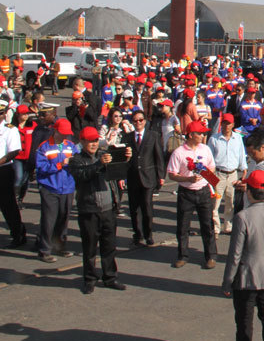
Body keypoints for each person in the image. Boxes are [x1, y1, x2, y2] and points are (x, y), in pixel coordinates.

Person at [222, 170, 264, 341]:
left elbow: (235, 254)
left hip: (246, 278)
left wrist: (227, 281)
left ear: (249, 192)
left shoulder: (242, 217)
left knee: (244, 322)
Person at [68, 126, 131, 293]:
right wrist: (98, 165)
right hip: (89, 210)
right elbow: (82, 175)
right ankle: (89, 279)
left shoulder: (104, 155)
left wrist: (125, 158)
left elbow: (119, 171)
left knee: (109, 246)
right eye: (90, 141)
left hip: (108, 209)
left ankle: (110, 277)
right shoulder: (76, 160)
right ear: (82, 142)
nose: (93, 144)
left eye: (95, 140)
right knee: (89, 248)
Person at [167, 119, 218, 269]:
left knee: (207, 225)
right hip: (186, 192)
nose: (202, 136)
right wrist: (187, 178)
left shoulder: (205, 149)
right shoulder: (179, 153)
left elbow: (212, 167)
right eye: (200, 133)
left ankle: (211, 256)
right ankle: (182, 256)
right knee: (183, 226)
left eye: (203, 133)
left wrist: (205, 173)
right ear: (190, 135)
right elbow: (172, 174)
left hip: (203, 191)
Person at [34, 118, 79, 263]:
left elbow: (78, 162)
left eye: (67, 133)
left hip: (67, 187)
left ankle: (59, 245)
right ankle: (44, 250)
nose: (66, 136)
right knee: (49, 219)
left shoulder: (71, 146)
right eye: (63, 133)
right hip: (50, 188)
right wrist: (60, 165)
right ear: (56, 130)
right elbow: (41, 168)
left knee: (63, 218)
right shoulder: (44, 147)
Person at [124, 110, 165, 246]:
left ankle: (148, 234)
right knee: (134, 209)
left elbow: (159, 157)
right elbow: (123, 160)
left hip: (148, 177)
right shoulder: (127, 137)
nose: (138, 123)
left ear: (145, 121)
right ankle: (138, 233)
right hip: (133, 177)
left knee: (147, 207)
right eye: (135, 120)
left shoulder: (153, 135)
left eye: (140, 120)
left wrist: (161, 175)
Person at [208, 112, 247, 236]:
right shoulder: (214, 138)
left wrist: (244, 169)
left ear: (233, 125)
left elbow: (241, 154)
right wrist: (209, 175)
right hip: (218, 173)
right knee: (215, 202)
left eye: (228, 123)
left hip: (232, 174)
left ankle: (228, 226)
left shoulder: (237, 139)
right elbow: (209, 157)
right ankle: (215, 227)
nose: (226, 126)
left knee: (230, 202)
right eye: (224, 123)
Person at [0, 98, 26, 248]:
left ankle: (18, 234)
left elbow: (14, 151)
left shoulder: (10, 129)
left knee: (8, 205)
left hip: (3, 170)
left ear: (4, 114)